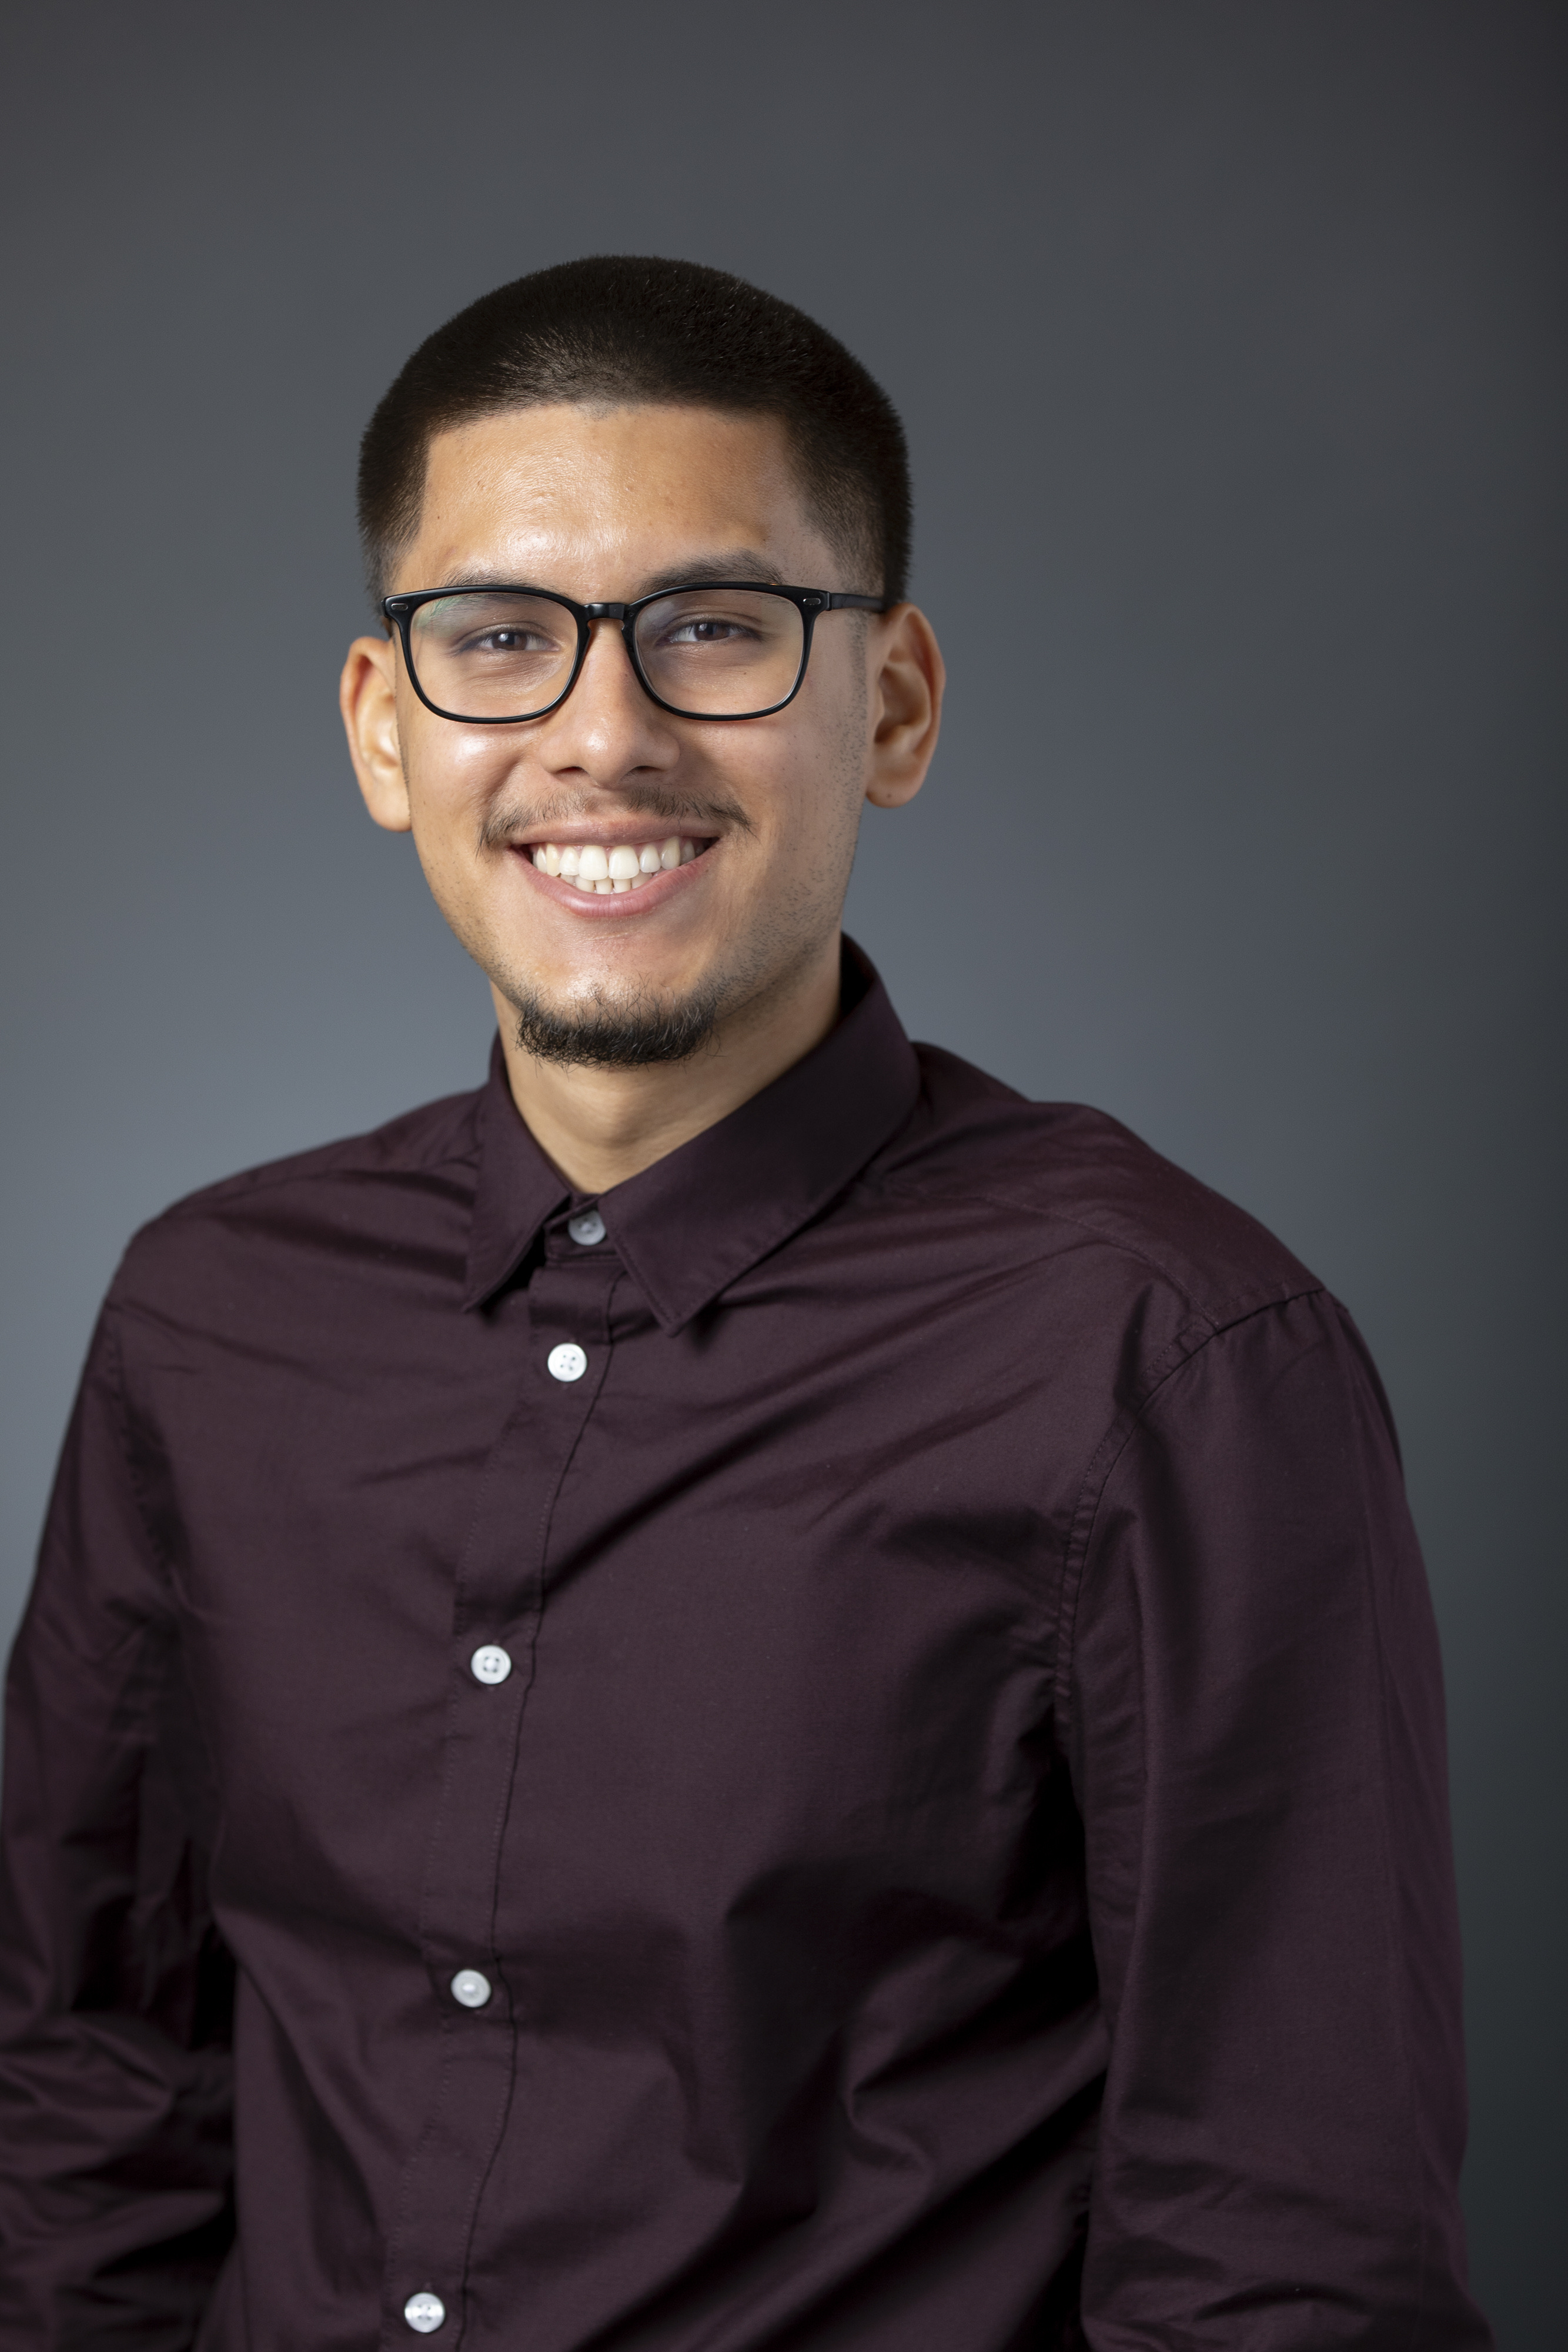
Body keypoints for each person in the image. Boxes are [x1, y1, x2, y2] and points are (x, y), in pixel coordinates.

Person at [0, 255, 1491, 2351]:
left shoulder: (1166, 1356)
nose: (601, 736)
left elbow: (1287, 2255)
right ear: (381, 728)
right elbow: (87, 2096)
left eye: (713, 627)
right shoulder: (207, 1317)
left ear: (891, 705)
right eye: (496, 636)